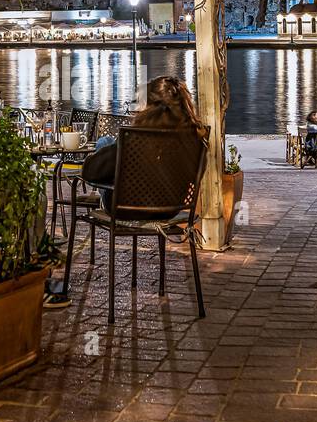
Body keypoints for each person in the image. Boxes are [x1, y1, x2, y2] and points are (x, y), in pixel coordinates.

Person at [52, 76, 207, 310]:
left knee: (105, 143)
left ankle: (107, 152)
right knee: (110, 145)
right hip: (173, 209)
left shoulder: (135, 137)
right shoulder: (196, 138)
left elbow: (91, 172)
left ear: (150, 106)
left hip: (125, 206)